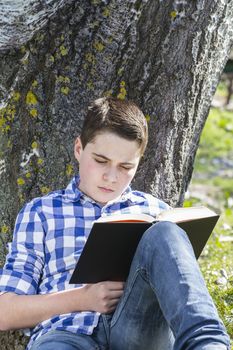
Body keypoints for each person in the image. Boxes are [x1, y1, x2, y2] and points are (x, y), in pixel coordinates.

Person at [0, 97, 230, 350]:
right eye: (101, 161)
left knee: (166, 231)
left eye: (125, 167)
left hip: (138, 329)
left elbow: (180, 293)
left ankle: (209, 344)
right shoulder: (41, 212)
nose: (111, 177)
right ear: (79, 149)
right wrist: (82, 299)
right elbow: (4, 312)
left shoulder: (155, 211)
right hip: (65, 334)